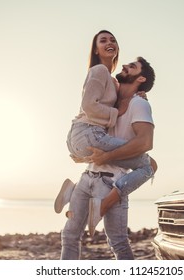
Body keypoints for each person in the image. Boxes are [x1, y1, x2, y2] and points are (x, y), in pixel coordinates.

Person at [55, 31, 155, 228]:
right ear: (96, 49)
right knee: (148, 165)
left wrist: (139, 96)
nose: (110, 43)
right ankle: (101, 204)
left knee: (73, 232)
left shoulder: (113, 82)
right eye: (103, 40)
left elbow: (117, 102)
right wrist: (116, 114)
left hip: (83, 142)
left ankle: (73, 192)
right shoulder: (100, 70)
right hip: (87, 135)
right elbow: (90, 106)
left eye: (113, 40)